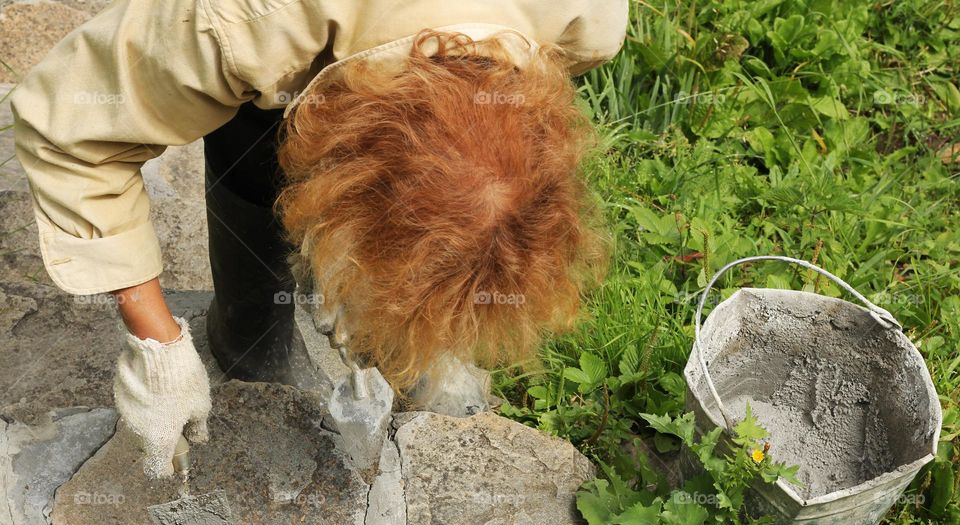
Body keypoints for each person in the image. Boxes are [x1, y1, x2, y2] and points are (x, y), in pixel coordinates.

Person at [10, 0, 628, 478]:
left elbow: (483, 163)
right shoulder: (243, 25)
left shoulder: (587, 18)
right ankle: (250, 340)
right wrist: (157, 347)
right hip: (279, 42)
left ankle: (396, 320)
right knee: (254, 134)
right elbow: (68, 131)